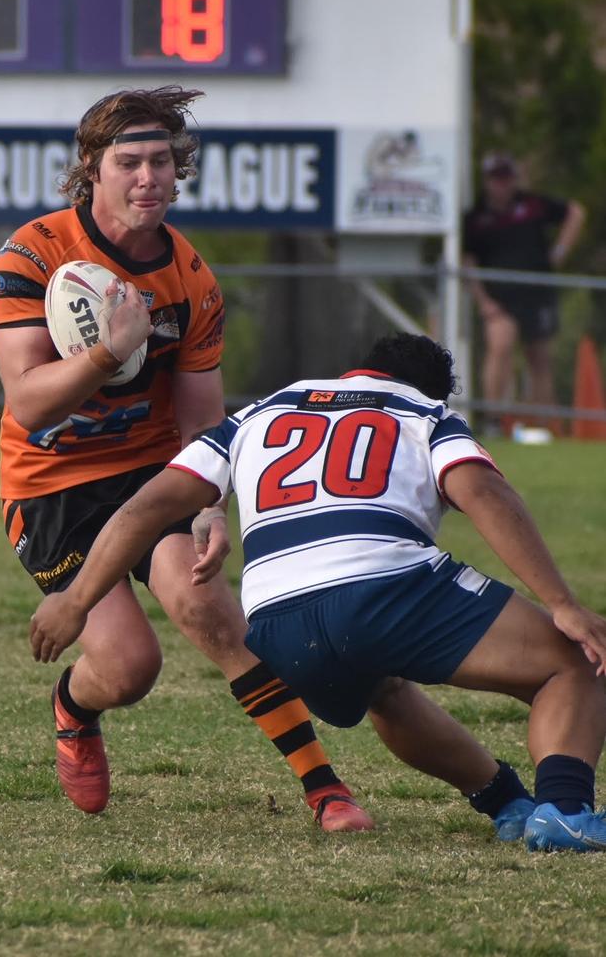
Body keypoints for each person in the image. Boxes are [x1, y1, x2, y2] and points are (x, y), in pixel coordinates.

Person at [0, 85, 531, 838]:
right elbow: (29, 402)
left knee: (212, 608)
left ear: (180, 171)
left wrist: (210, 508)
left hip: (152, 472)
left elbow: (202, 418)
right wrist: (109, 351)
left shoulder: (192, 281)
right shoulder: (35, 253)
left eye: (163, 162)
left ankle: (325, 792)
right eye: (129, 162)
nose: (149, 177)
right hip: (53, 486)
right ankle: (75, 707)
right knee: (128, 668)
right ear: (92, 168)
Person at [30, 331, 606, 852]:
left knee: (385, 689)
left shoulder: (262, 410)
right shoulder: (425, 411)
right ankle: (567, 810)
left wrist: (75, 601)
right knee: (575, 663)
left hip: (277, 629)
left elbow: (145, 507)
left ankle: (506, 802)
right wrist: (563, 605)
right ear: (433, 391)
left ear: (354, 372)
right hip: (383, 589)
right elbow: (484, 495)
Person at [463, 152, 585, 436]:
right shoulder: (476, 218)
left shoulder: (533, 205)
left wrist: (559, 253)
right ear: (487, 180)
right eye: (496, 178)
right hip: (499, 297)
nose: (501, 185)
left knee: (540, 358)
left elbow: (575, 213)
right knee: (500, 346)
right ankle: (493, 420)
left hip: (536, 295)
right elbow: (468, 261)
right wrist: (483, 301)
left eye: (506, 177)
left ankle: (543, 425)